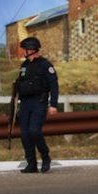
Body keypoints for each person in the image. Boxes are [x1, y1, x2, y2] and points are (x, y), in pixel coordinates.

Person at [14, 37, 59, 173]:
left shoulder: (45, 65)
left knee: (34, 131)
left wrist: (53, 104)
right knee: (25, 134)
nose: (23, 52)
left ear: (32, 49)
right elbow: (19, 85)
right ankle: (31, 163)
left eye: (25, 49)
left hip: (39, 102)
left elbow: (54, 85)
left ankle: (45, 157)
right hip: (25, 103)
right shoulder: (24, 65)